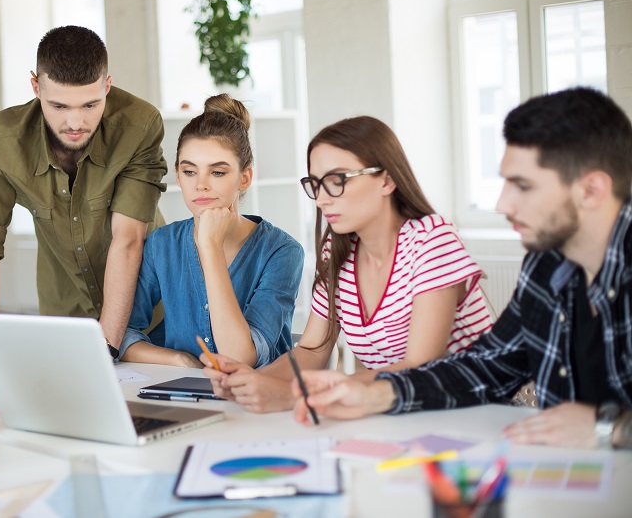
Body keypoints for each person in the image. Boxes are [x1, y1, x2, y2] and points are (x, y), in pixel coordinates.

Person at [292, 87, 632, 451]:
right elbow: (486, 366)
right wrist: (374, 396)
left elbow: (426, 360)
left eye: (523, 186)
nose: (502, 204)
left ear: (592, 190)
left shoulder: (431, 239)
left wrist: (607, 428)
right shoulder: (546, 266)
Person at [202, 116, 493, 410]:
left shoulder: (431, 238)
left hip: (477, 411)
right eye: (315, 184)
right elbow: (312, 350)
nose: (321, 200)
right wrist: (253, 382)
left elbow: (420, 365)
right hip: (403, 415)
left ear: (387, 179)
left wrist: (296, 395)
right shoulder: (338, 250)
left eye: (336, 180)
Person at [0, 26, 167, 357]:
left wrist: (107, 347)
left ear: (107, 85)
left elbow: (128, 239)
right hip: (65, 313)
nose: (75, 122)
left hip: (150, 310)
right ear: (36, 87)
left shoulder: (139, 125)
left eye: (90, 105)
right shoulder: (3, 139)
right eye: (58, 106)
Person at [118, 94, 303, 368]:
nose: (201, 185)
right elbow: (120, 334)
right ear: (178, 176)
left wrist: (210, 247)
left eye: (217, 172)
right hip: (181, 397)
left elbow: (242, 358)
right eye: (190, 171)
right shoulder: (161, 244)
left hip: (258, 401)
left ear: (244, 178)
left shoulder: (282, 252)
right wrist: (179, 359)